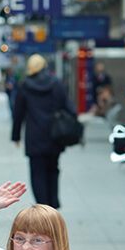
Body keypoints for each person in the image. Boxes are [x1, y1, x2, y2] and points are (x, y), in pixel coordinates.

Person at [12, 54, 75, 209]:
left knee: (37, 173)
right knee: (53, 169)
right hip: (55, 135)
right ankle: (53, 204)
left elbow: (18, 113)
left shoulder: (25, 85)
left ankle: (42, 206)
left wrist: (16, 136)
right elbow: (70, 109)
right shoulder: (57, 83)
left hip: (34, 137)